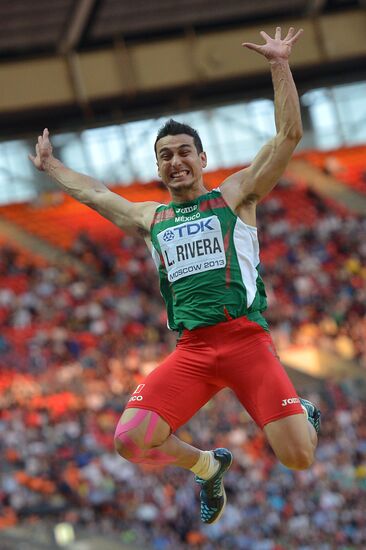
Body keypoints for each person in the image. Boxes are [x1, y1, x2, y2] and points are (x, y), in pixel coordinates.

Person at [30, 26, 321, 525]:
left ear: (202, 159)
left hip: (247, 342)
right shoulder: (151, 219)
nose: (176, 160)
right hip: (193, 351)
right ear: (159, 169)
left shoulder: (235, 196)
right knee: (130, 440)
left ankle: (305, 416)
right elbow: (99, 195)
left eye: (184, 151)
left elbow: (288, 136)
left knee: (298, 457)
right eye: (165, 155)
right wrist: (53, 167)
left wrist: (279, 64)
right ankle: (207, 466)